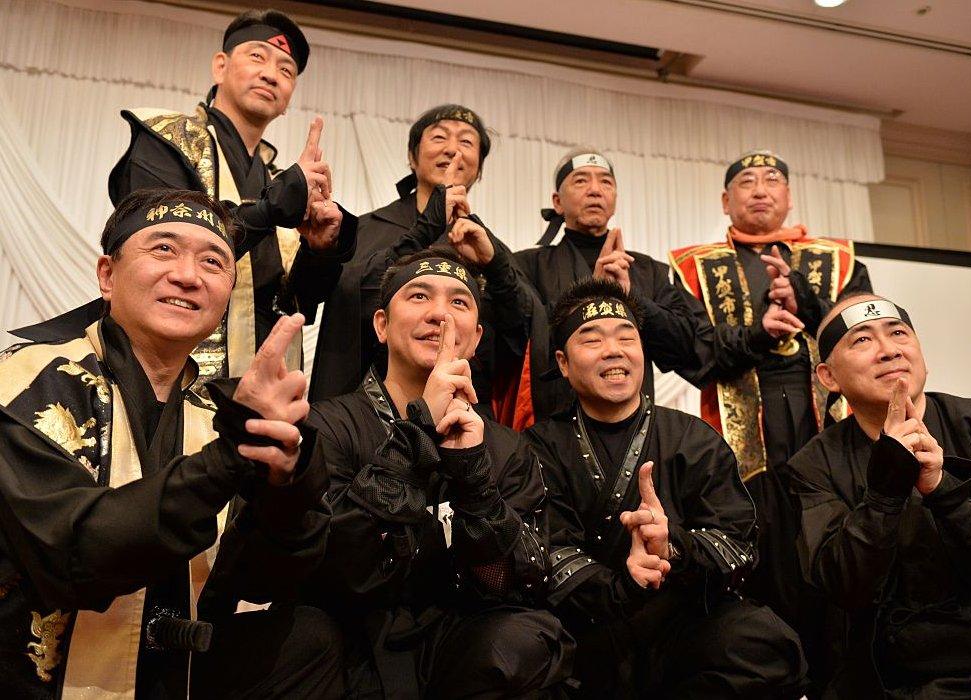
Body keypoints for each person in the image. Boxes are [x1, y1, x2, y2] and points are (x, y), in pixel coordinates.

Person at [0, 189, 336, 698]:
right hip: (25, 678)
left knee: (315, 641)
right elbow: (73, 555)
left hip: (169, 671)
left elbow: (263, 581)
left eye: (213, 261)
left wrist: (283, 481)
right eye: (163, 249)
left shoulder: (212, 411)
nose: (188, 275)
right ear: (107, 276)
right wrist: (228, 459)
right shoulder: (27, 379)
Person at [302, 247, 573, 697]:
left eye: (459, 303)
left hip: (460, 649)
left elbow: (514, 584)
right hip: (348, 643)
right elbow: (331, 565)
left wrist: (473, 479)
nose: (440, 316)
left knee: (529, 639)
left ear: (476, 337)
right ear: (382, 325)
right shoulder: (328, 424)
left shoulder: (506, 446)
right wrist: (417, 428)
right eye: (419, 297)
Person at [525, 278, 806, 698]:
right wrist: (622, 585)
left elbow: (739, 540)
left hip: (683, 623)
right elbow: (547, 549)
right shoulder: (539, 447)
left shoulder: (693, 438)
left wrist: (672, 545)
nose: (614, 350)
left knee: (760, 639)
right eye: (592, 340)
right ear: (563, 363)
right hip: (588, 627)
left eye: (626, 337)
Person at [669, 151, 873, 662]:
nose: (760, 189)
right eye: (746, 181)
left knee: (838, 551)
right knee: (762, 562)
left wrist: (809, 305)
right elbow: (694, 355)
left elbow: (868, 342)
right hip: (741, 448)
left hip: (825, 427)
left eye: (772, 180)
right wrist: (758, 335)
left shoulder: (839, 260)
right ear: (725, 200)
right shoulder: (693, 266)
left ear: (788, 196)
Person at [109, 9, 357, 386]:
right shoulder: (167, 139)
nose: (271, 74)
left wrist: (318, 250)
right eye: (257, 56)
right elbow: (165, 252)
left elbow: (295, 304)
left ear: (289, 98)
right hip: (171, 375)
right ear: (220, 66)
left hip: (267, 383)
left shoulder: (277, 178)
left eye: (286, 71)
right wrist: (275, 205)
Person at [789, 294, 971, 698]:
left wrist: (942, 489)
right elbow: (843, 585)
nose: (889, 350)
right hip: (893, 671)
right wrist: (887, 488)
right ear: (828, 377)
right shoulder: (814, 465)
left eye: (898, 333)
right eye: (862, 341)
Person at [309, 105, 534, 421]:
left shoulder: (490, 249)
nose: (452, 149)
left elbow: (520, 340)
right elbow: (351, 303)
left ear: (479, 169)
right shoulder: (368, 228)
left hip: (462, 418)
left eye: (467, 142)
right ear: (412, 158)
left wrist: (494, 265)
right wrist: (427, 227)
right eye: (439, 137)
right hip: (368, 417)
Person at [514, 148, 708, 424]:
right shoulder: (528, 266)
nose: (595, 190)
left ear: (615, 200)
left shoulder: (648, 270)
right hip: (555, 426)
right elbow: (523, 341)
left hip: (635, 425)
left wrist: (631, 298)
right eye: (581, 180)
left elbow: (689, 347)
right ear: (557, 202)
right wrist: (592, 292)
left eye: (605, 182)